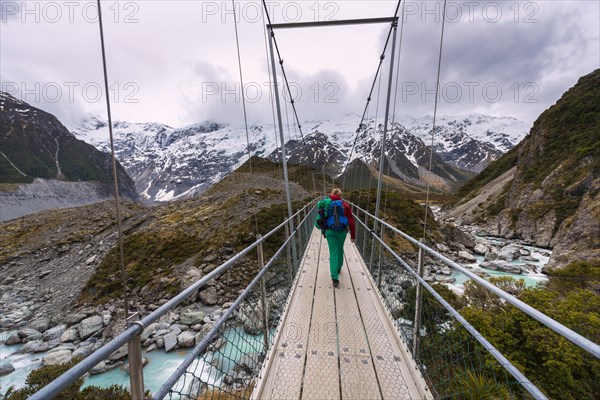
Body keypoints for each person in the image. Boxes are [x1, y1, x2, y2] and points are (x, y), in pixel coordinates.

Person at [315, 188, 356, 288]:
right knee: (340, 249)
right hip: (342, 232)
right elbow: (351, 220)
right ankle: (338, 268)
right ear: (340, 195)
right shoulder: (344, 204)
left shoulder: (325, 203)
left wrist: (324, 231)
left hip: (330, 232)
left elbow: (321, 217)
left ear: (332, 194)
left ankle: (335, 278)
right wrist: (353, 235)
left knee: (333, 252)